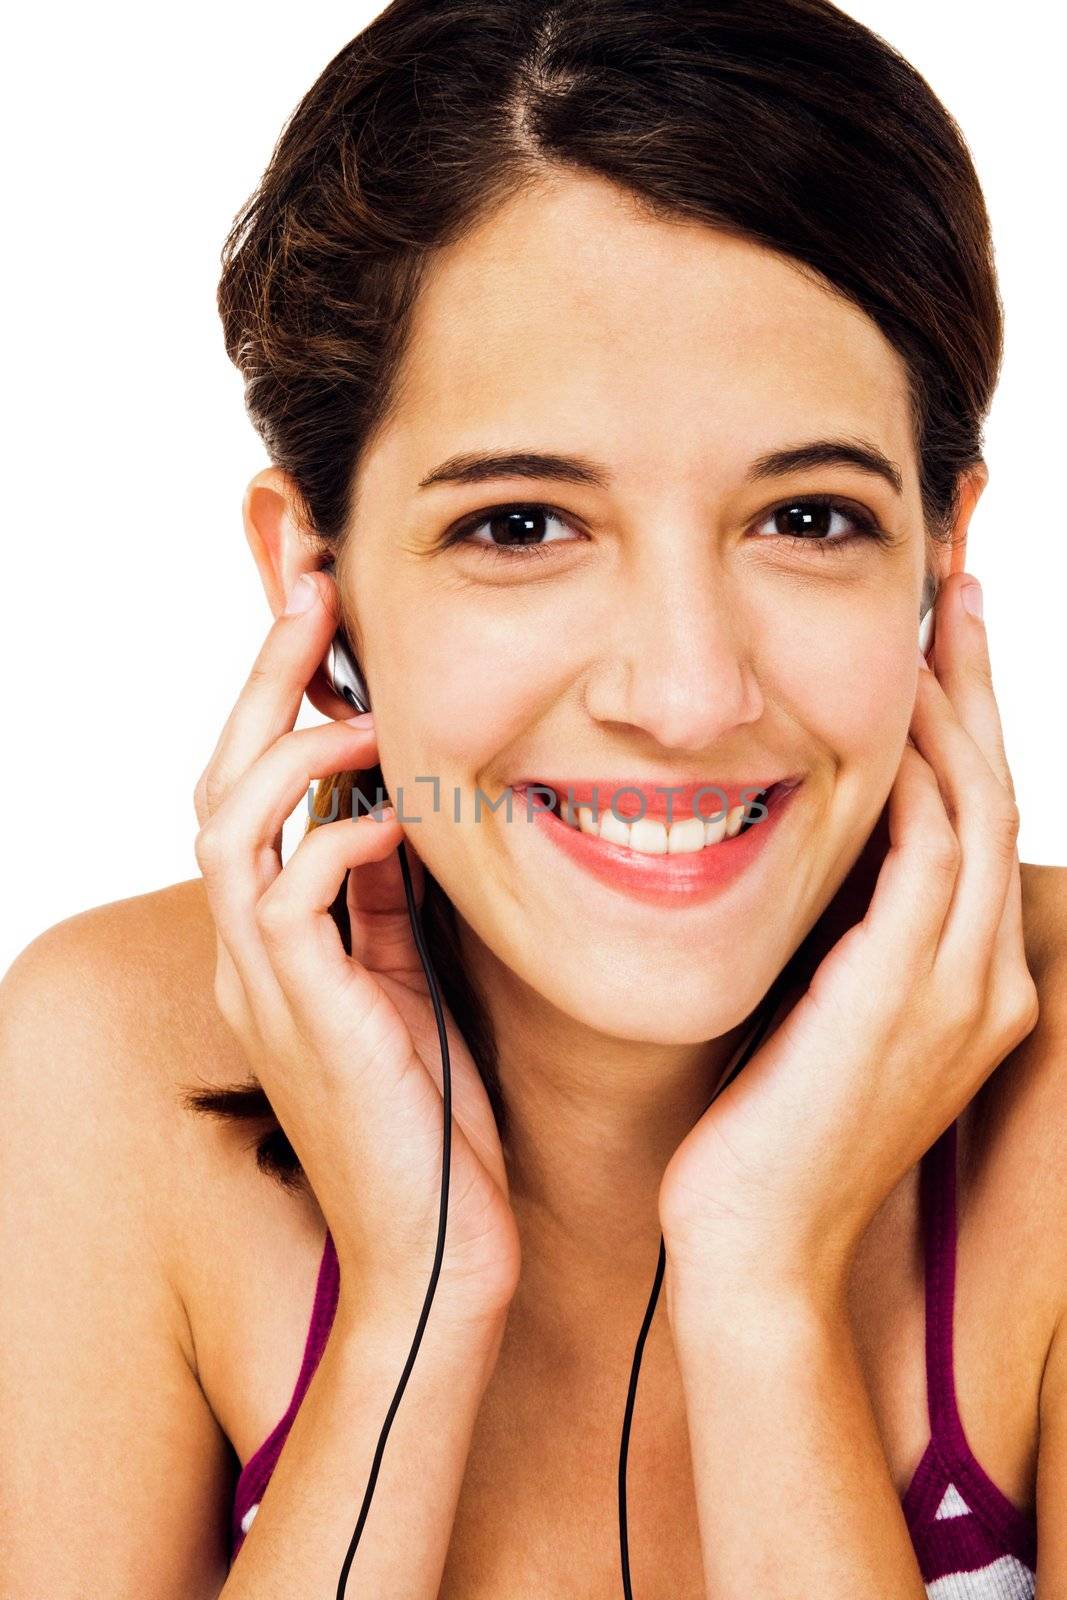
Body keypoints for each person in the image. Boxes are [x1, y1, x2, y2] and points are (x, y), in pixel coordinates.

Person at [3, 1, 1065, 1595]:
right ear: (318, 575)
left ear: (941, 548)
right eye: (520, 526)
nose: (690, 693)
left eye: (809, 515)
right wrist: (414, 1315)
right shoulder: (108, 1070)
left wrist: (762, 1285)